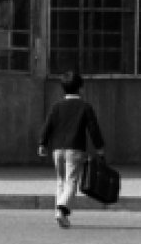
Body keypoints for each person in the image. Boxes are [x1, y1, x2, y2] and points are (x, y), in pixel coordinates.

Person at [37, 69, 106, 229]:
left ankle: (60, 213)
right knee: (72, 180)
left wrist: (42, 143)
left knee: (60, 181)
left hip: (57, 150)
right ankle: (62, 209)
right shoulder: (85, 107)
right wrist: (100, 148)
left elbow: (48, 126)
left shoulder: (57, 106)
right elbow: (93, 129)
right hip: (75, 148)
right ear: (80, 88)